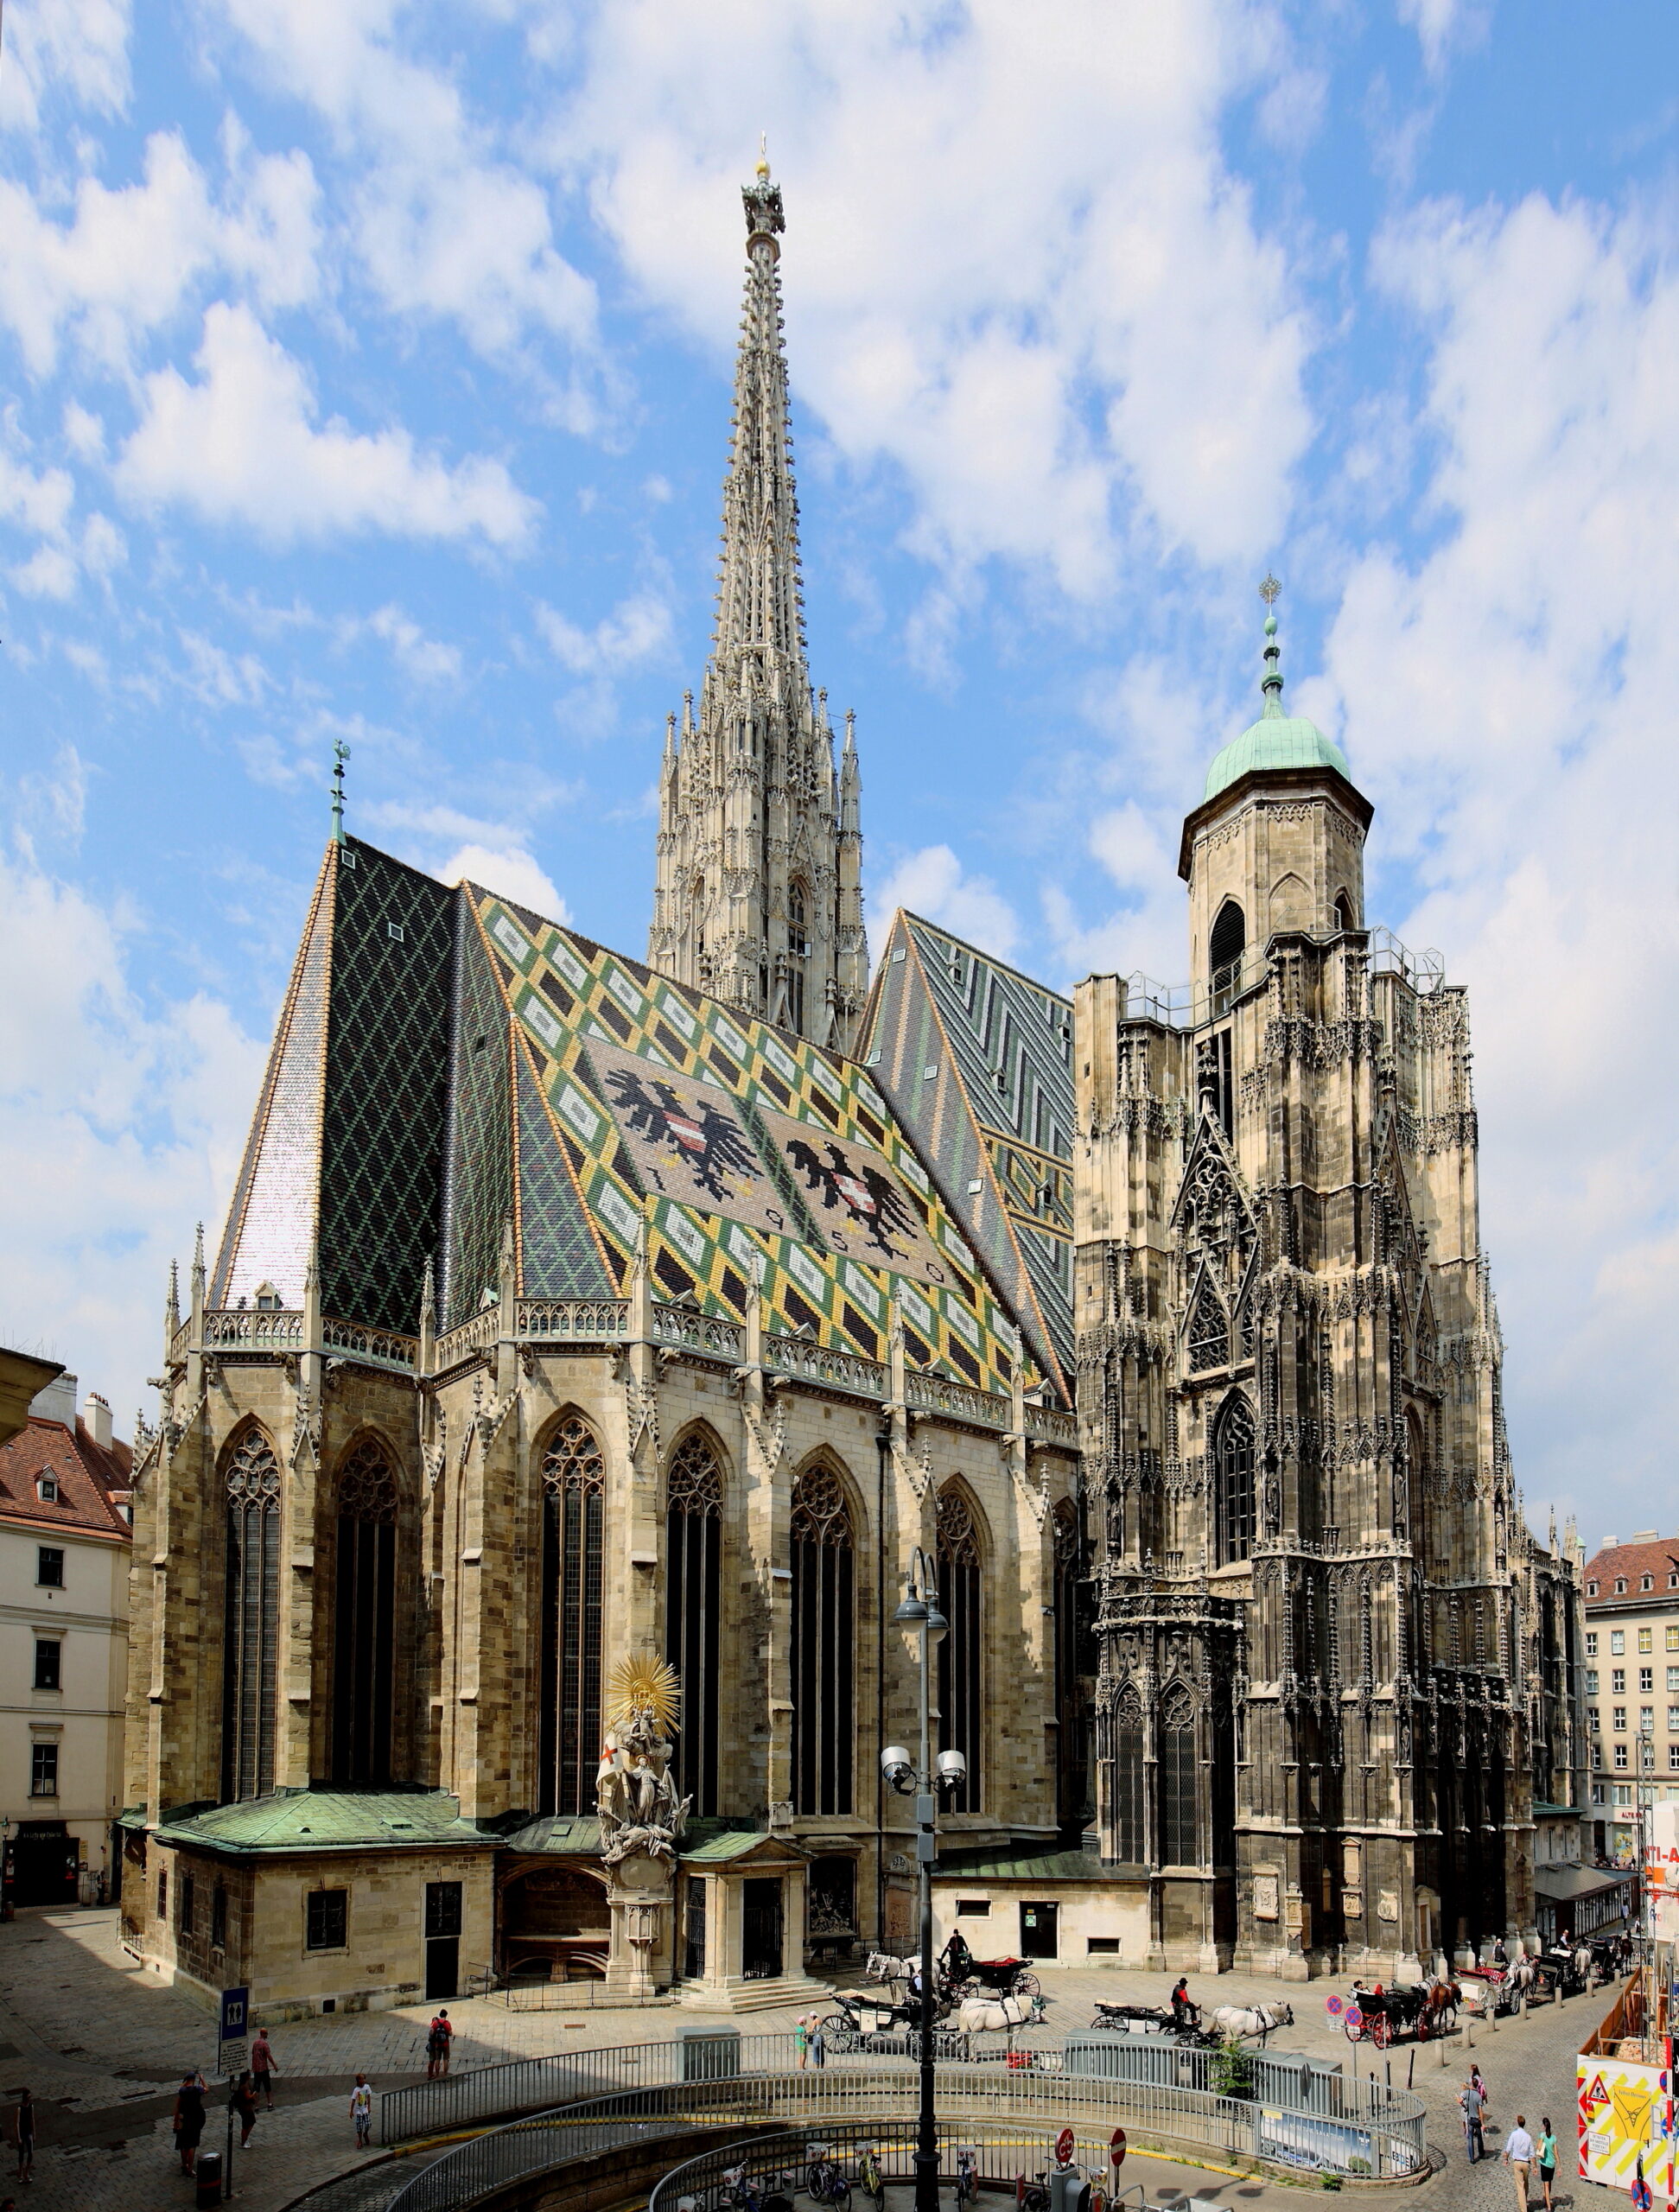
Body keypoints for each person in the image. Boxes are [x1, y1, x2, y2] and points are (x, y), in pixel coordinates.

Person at [174, 2070, 207, 2177]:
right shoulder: (197, 2090)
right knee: (192, 2144)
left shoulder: (182, 2092)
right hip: (195, 2119)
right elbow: (207, 2089)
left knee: (183, 2144)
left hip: (184, 2120)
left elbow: (180, 2090)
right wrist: (202, 2079)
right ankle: (190, 2168)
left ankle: (184, 2164)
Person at [1504, 2113, 1534, 2210]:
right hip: (1526, 2163)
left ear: (1518, 2123)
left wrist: (1506, 2159)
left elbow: (1508, 2148)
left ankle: (1524, 2209)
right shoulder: (1528, 2137)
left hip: (1517, 2162)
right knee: (1526, 2184)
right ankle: (1524, 2201)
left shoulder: (1514, 2134)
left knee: (1521, 2187)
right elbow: (1532, 2153)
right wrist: (1535, 2166)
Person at [1459, 2073, 1486, 2163]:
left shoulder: (1467, 2093)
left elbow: (1460, 2100)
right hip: (1477, 2119)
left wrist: (1463, 2105)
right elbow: (1480, 2111)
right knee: (1479, 2137)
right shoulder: (1478, 2096)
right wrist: (1482, 2123)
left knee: (1470, 2138)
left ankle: (1472, 2157)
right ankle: (1481, 2153)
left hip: (1470, 2119)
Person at [229, 2070, 258, 2150]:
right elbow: (247, 2096)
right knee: (246, 2125)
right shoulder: (244, 2086)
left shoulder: (246, 2084)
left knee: (251, 2122)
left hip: (247, 2107)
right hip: (245, 2108)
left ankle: (245, 2139)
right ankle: (243, 2141)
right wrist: (254, 2094)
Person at [251, 2027, 278, 2110]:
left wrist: (253, 2066)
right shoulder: (264, 2044)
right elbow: (268, 2056)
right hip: (264, 2069)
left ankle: (256, 2106)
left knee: (257, 2088)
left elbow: (253, 2054)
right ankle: (269, 2104)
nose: (267, 2035)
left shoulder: (255, 2043)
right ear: (263, 2034)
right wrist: (274, 2065)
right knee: (267, 2087)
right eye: (266, 2033)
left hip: (257, 2070)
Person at [10, 2091, 34, 2184]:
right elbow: (17, 2123)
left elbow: (33, 2119)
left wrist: (34, 2132)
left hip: (29, 2132)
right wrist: (18, 2137)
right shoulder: (19, 2108)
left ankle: (26, 2173)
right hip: (22, 2133)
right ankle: (20, 2173)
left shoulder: (31, 2107)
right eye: (28, 2098)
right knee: (21, 2154)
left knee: (30, 2153)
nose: (29, 2100)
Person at [1535, 2116, 1557, 2210]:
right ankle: (1547, 2199)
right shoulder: (1554, 2137)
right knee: (1549, 2182)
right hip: (1552, 2164)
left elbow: (1539, 2148)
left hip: (1544, 2164)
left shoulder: (1542, 2136)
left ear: (1544, 2126)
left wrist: (1541, 2141)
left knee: (1546, 2185)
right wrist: (1559, 2165)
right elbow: (1556, 2152)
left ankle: (1548, 2206)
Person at [426, 2009, 453, 2080]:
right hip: (445, 2044)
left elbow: (431, 2032)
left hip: (437, 2044)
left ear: (440, 2015)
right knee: (446, 2059)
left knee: (437, 2059)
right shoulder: (447, 2023)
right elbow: (450, 2033)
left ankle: (437, 2075)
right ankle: (445, 2076)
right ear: (446, 2015)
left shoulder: (435, 2023)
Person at [350, 2074, 374, 2150]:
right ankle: (360, 2140)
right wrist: (351, 2111)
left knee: (368, 2124)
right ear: (358, 2081)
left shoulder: (367, 2087)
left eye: (363, 2079)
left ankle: (365, 2133)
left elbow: (369, 2097)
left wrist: (369, 2107)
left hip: (365, 2109)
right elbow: (353, 2100)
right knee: (359, 2126)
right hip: (359, 2111)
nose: (362, 2081)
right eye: (361, 2079)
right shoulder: (356, 2090)